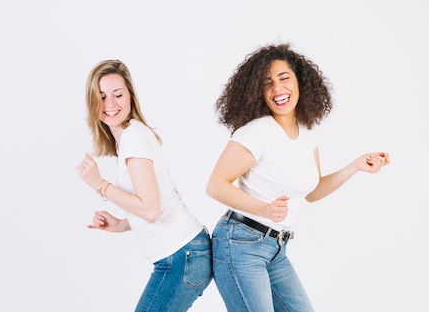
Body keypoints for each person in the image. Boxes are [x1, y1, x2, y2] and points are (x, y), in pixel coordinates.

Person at [205, 44, 390, 312]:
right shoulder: (256, 132)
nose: (277, 89)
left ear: (300, 82)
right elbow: (215, 185)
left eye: (284, 78)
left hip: (276, 249)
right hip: (240, 244)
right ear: (258, 91)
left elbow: (312, 192)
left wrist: (355, 167)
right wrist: (264, 208)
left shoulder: (306, 135)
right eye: (267, 83)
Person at [75, 59, 213, 312]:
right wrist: (122, 224)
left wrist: (99, 184)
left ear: (130, 96)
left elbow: (150, 210)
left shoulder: (133, 139)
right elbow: (157, 202)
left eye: (118, 95)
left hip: (182, 255)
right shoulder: (132, 136)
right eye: (102, 97)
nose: (110, 105)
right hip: (187, 254)